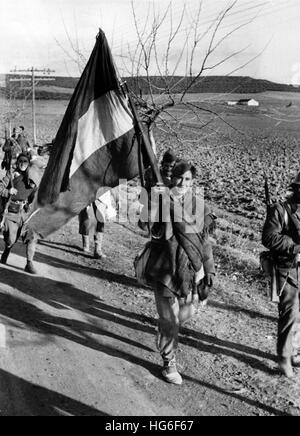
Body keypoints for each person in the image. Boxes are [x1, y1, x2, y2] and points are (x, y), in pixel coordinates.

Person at [144, 160, 215, 385]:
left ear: (193, 182)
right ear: (171, 177)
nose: (182, 183)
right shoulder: (160, 199)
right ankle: (169, 362)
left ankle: (167, 330)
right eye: (178, 177)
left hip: (189, 271)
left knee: (188, 312)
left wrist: (209, 270)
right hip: (165, 269)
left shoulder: (199, 205)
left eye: (187, 180)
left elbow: (204, 243)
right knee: (170, 319)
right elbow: (146, 226)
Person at [262, 172, 300, 378]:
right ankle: (284, 357)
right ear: (296, 189)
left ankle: (294, 350)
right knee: (290, 312)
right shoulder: (280, 210)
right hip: (287, 268)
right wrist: (295, 246)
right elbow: (268, 237)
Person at [0, 153, 40, 274]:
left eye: (25, 162)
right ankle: (7, 250)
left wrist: (31, 203)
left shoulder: (33, 177)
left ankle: (29, 263)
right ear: (17, 162)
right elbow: (0, 187)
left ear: (28, 164)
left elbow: (36, 192)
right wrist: (8, 190)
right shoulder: (11, 175)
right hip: (11, 211)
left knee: (32, 236)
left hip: (26, 212)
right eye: (20, 161)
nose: (22, 164)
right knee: (11, 240)